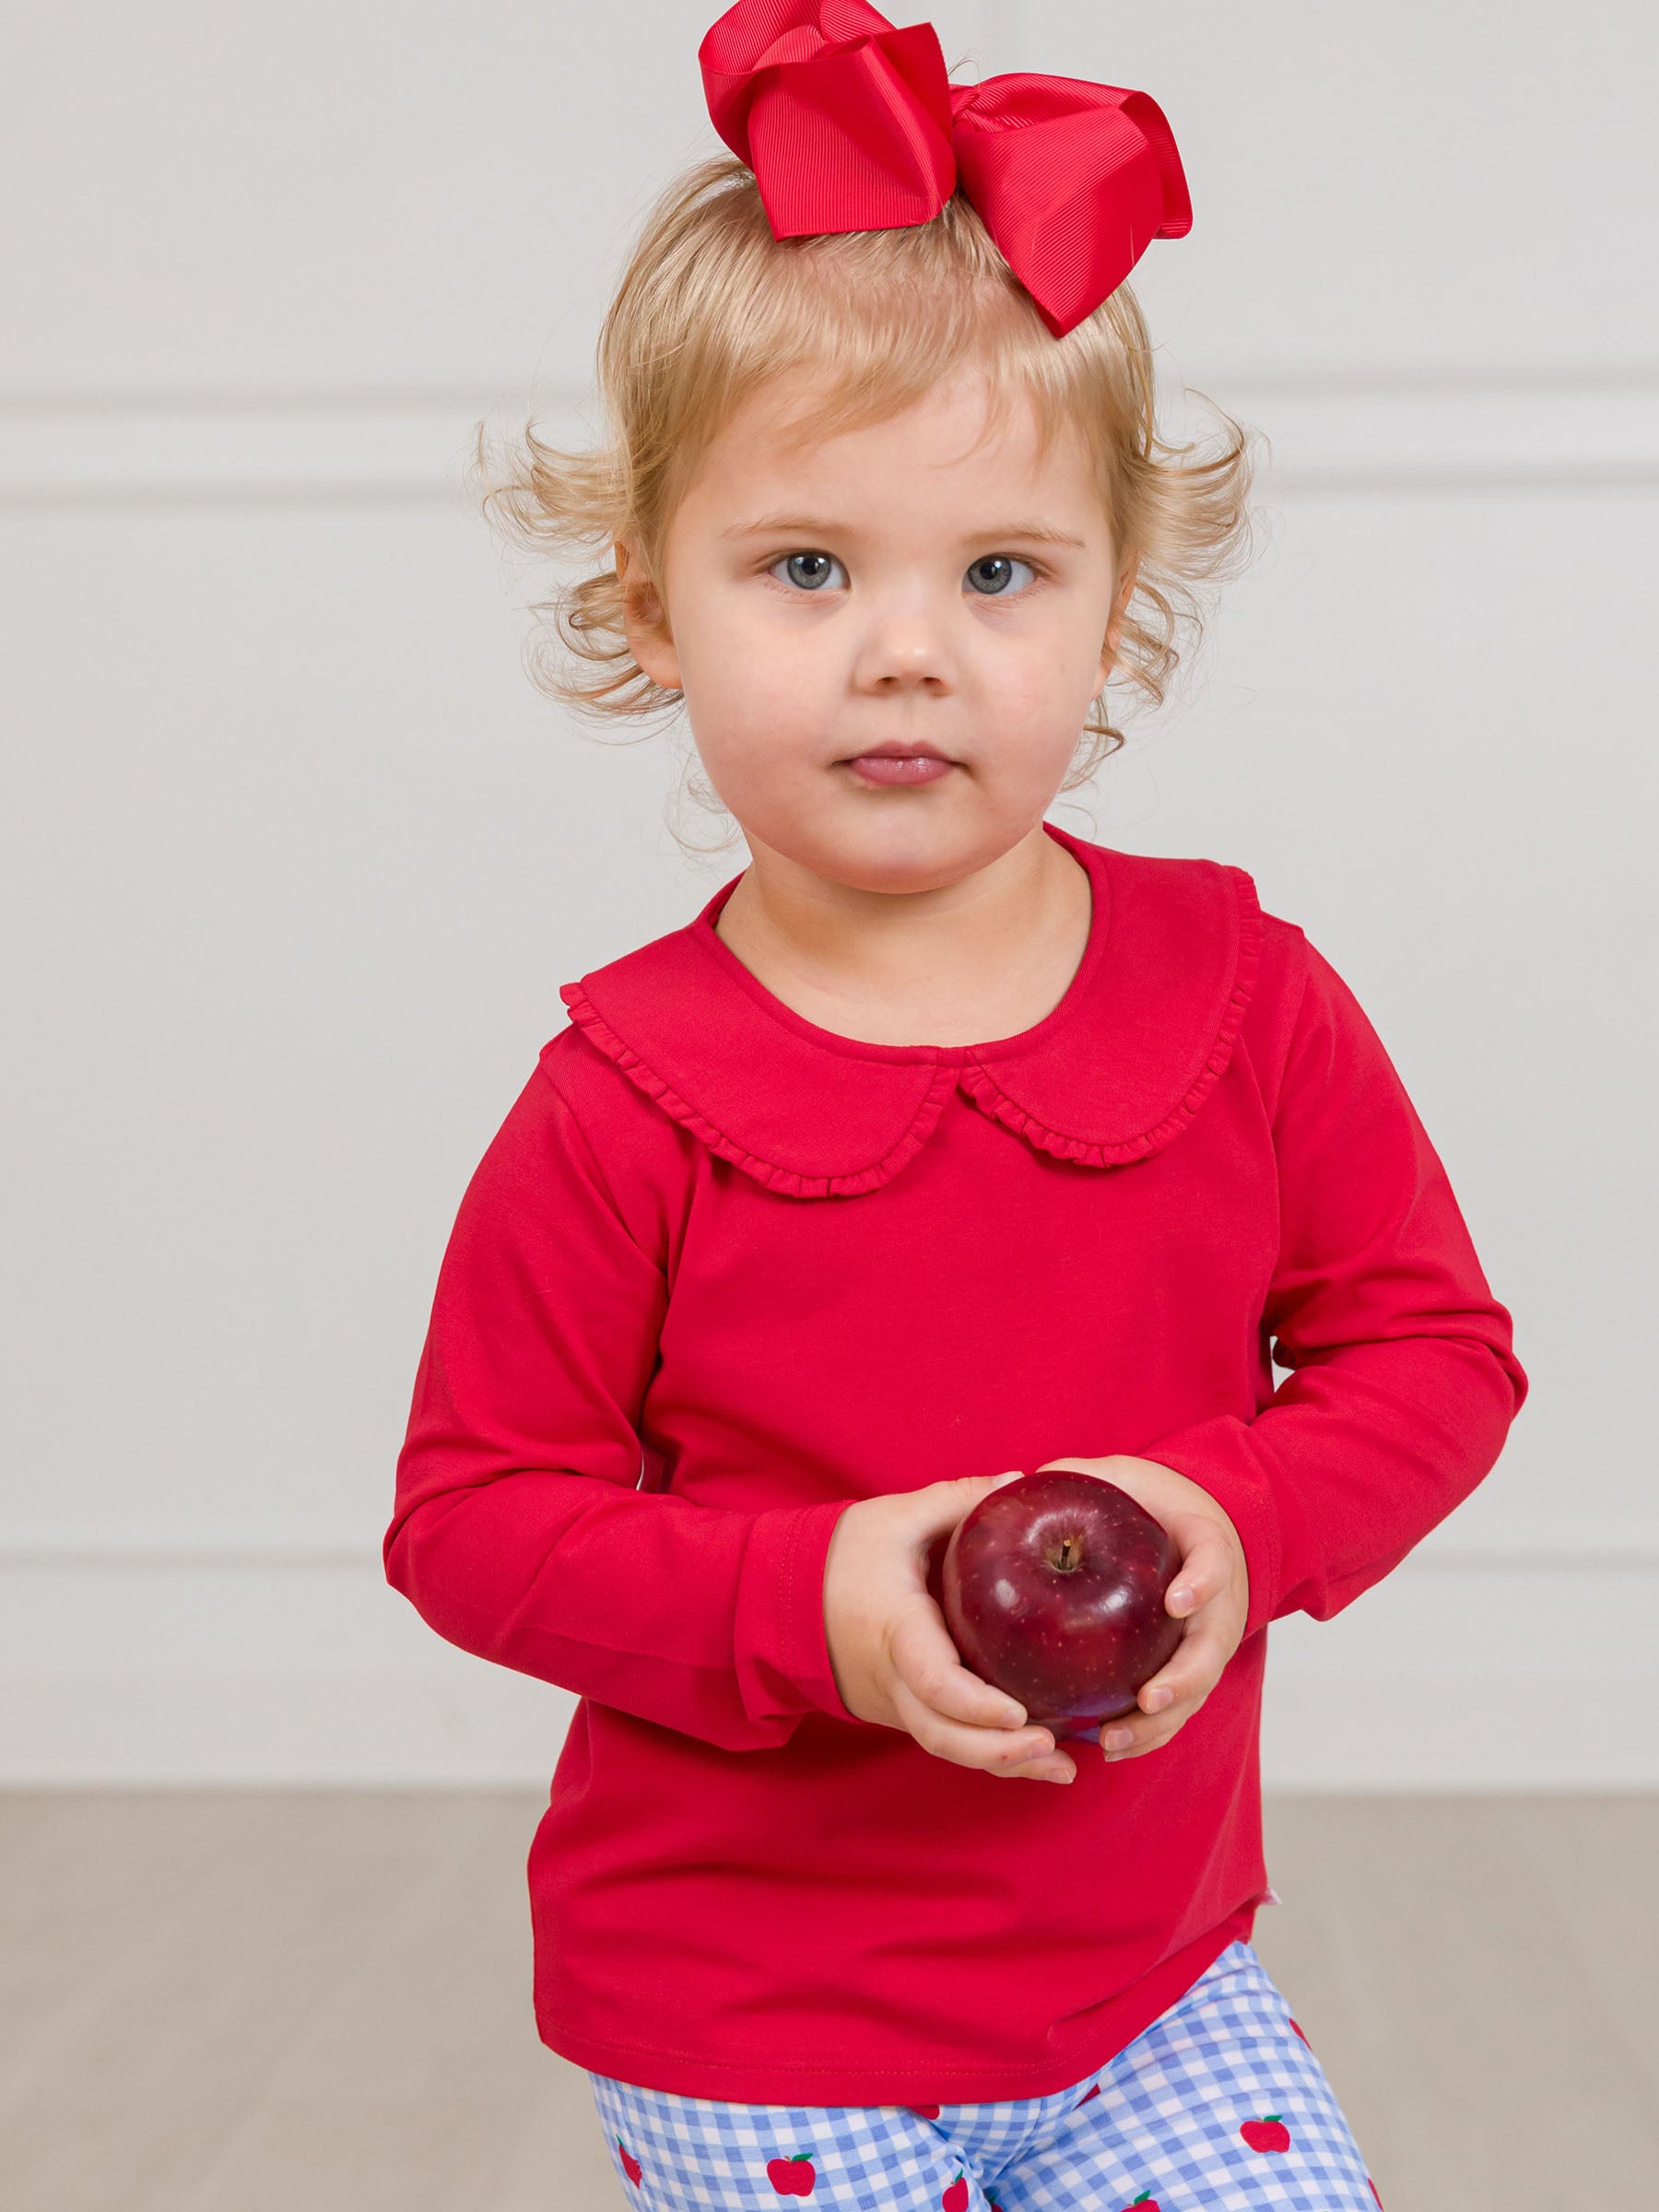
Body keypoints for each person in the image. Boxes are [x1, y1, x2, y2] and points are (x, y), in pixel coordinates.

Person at [382, 5, 1527, 2205]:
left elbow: (1431, 1355)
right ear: (652, 604)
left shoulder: (1248, 1003)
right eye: (808, 569)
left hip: (1151, 1978)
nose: (908, 649)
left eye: (998, 573)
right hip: (752, 2022)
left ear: (1116, 612)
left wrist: (1237, 1520)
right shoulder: (623, 1102)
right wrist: (816, 1603)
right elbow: (474, 1518)